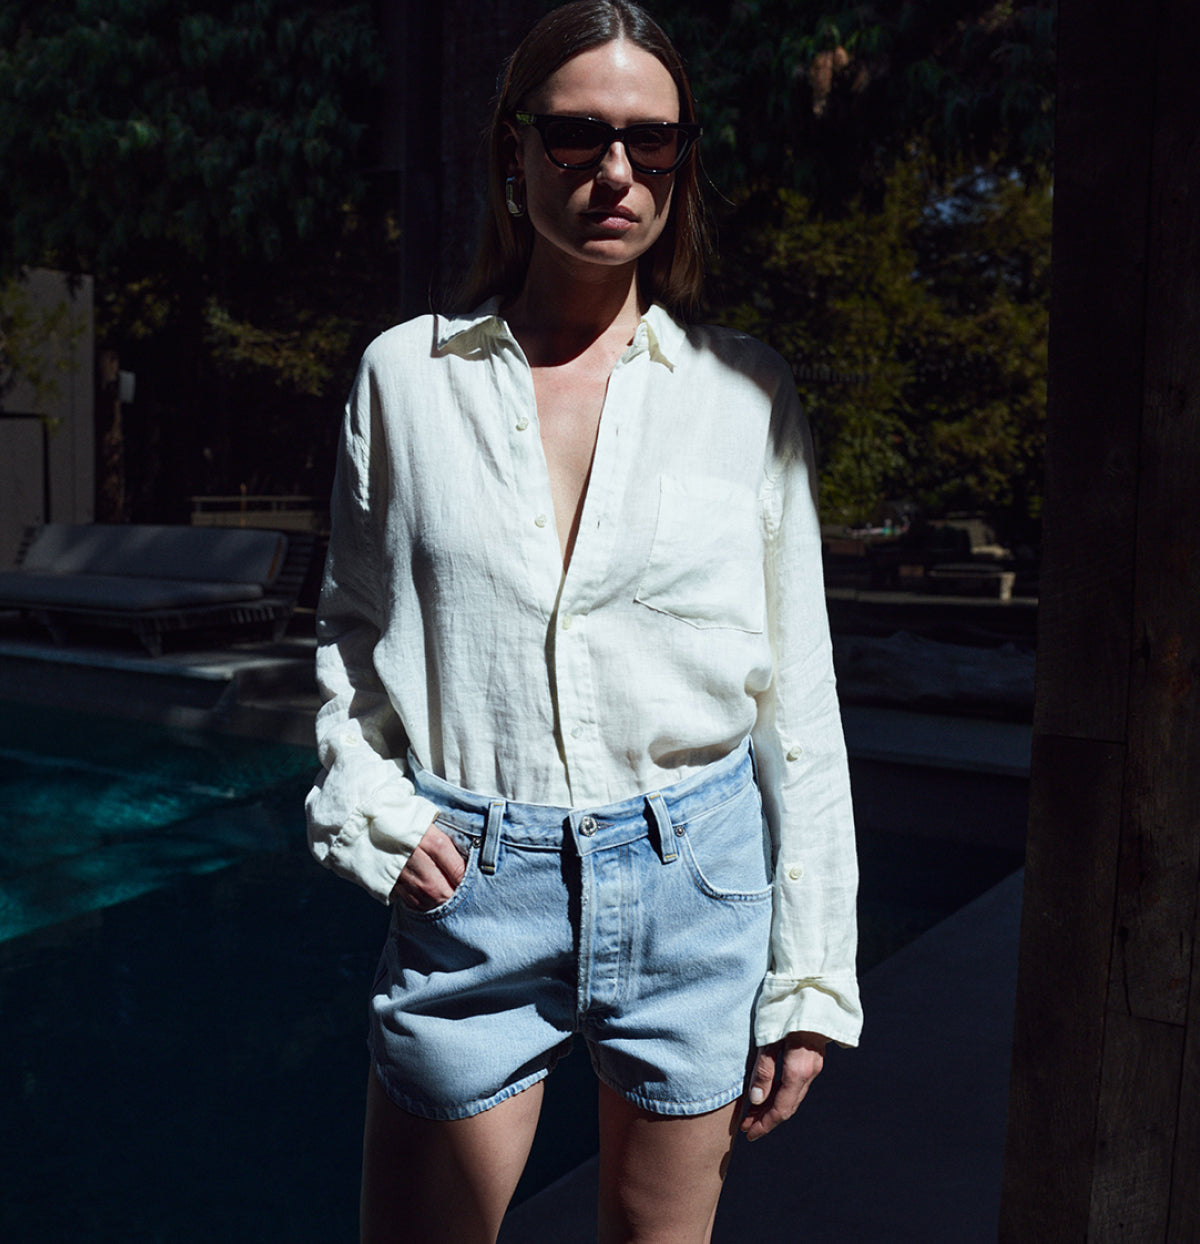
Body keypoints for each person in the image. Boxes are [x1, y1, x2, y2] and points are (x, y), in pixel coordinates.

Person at [305, 3, 862, 1240]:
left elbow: (800, 701)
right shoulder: (408, 378)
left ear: (680, 163)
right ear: (515, 149)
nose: (616, 169)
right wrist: (370, 809)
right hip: (472, 881)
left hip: (695, 880)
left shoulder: (744, 394)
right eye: (577, 134)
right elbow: (352, 635)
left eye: (650, 141)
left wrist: (812, 969)